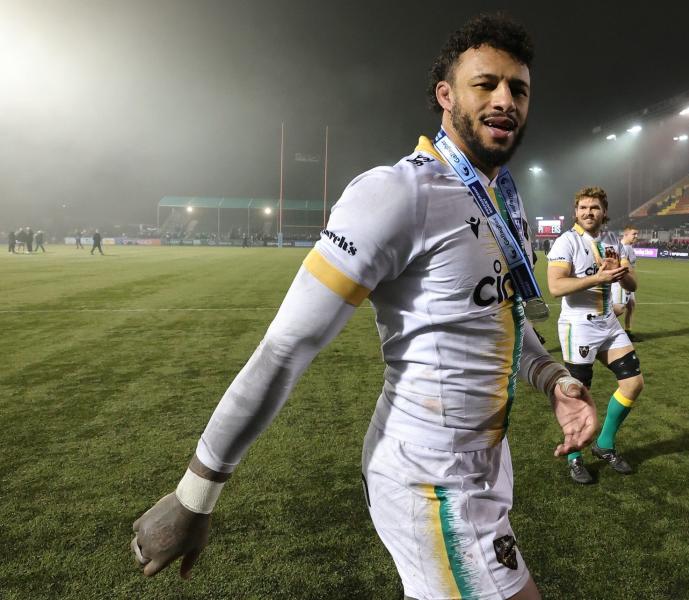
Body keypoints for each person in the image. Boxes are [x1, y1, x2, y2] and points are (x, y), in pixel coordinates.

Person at [129, 14, 597, 600]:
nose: (505, 100)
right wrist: (194, 496)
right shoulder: (397, 193)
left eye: (518, 88)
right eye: (486, 84)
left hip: (485, 463)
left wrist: (553, 379)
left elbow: (503, 315)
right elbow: (286, 346)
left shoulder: (503, 198)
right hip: (430, 477)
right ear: (445, 95)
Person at [546, 187, 644, 485]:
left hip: (608, 323)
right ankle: (575, 458)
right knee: (576, 395)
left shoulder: (613, 241)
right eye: (583, 207)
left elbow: (632, 284)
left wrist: (618, 273)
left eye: (595, 207)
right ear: (576, 212)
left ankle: (604, 444)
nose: (589, 212)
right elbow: (556, 287)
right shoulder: (567, 241)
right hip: (580, 325)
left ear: (604, 211)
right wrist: (598, 278)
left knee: (633, 383)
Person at [611, 225, 640, 342]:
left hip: (628, 281)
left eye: (637, 234)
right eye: (634, 234)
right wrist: (629, 281)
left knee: (631, 305)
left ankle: (627, 332)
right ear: (626, 234)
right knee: (619, 308)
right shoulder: (622, 247)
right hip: (623, 282)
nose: (636, 236)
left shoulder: (628, 247)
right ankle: (598, 324)